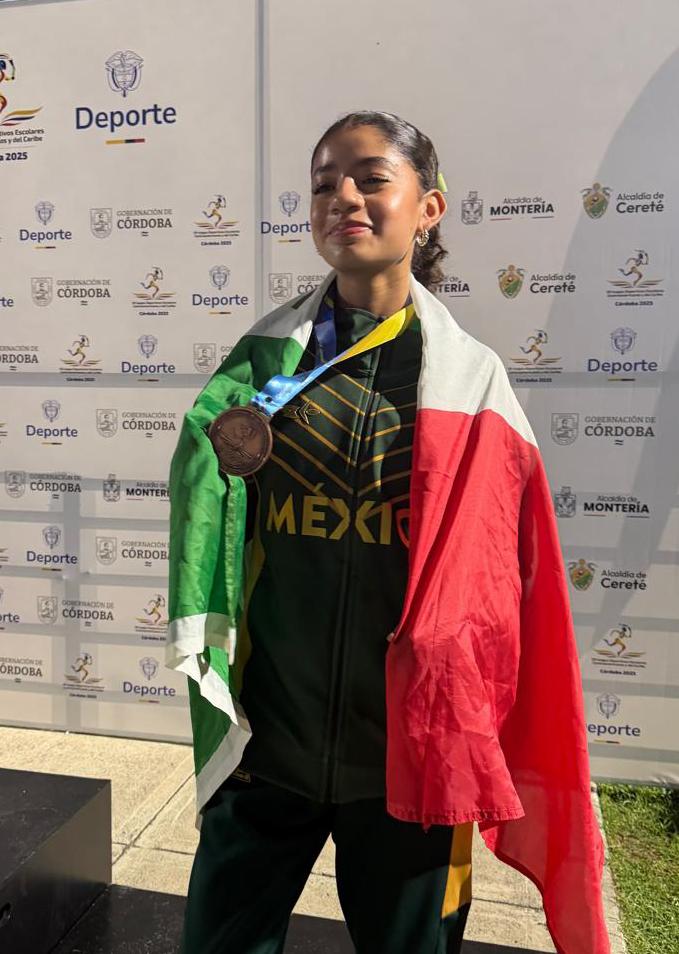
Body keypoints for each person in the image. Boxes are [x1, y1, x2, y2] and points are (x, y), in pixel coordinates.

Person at [167, 111, 610, 954]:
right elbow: (211, 544)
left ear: (428, 208)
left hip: (412, 771)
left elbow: (506, 591)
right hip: (266, 753)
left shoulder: (472, 387)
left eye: (371, 178)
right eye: (323, 183)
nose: (343, 196)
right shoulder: (258, 370)